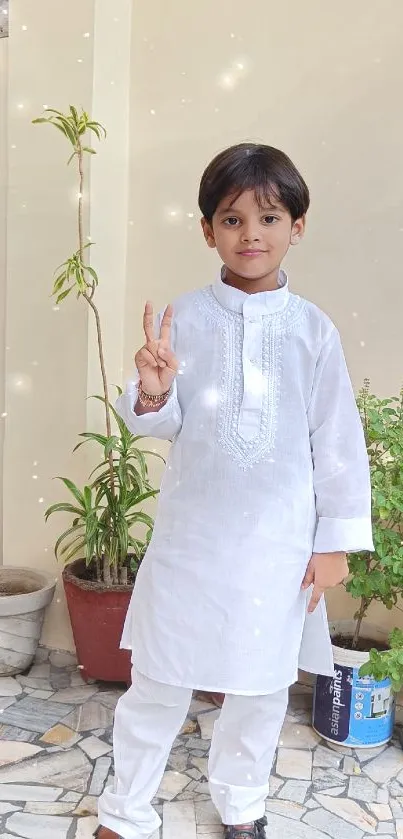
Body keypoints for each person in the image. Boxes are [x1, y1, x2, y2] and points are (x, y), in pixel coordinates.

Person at [95, 143, 373, 839]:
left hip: (275, 548)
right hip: (191, 541)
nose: (251, 234)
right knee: (157, 683)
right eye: (231, 218)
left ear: (296, 226)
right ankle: (124, 811)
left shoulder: (312, 330)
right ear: (206, 229)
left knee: (258, 691)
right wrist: (154, 390)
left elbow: (335, 441)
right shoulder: (184, 319)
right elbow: (157, 419)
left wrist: (334, 541)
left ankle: (241, 805)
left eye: (269, 217)